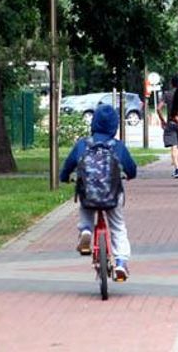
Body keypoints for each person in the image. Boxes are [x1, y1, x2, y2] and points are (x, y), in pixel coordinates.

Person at [58, 104, 138, 281]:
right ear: (115, 126)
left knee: (85, 210)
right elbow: (131, 168)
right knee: (118, 227)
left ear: (93, 123)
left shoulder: (83, 145)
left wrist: (64, 177)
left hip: (89, 194)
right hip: (113, 194)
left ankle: (86, 231)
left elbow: (68, 165)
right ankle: (121, 263)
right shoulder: (117, 146)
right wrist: (129, 175)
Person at [158, 75, 178, 178]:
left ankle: (177, 168)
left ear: (171, 84)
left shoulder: (167, 94)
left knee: (174, 147)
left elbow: (159, 108)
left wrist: (162, 121)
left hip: (171, 123)